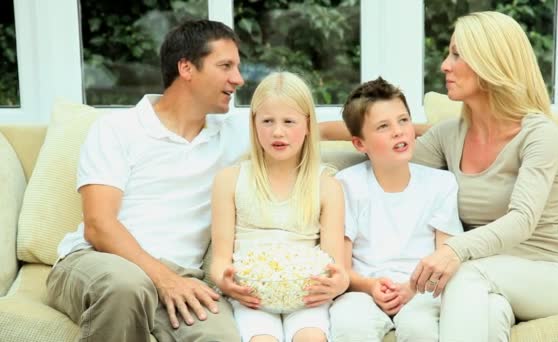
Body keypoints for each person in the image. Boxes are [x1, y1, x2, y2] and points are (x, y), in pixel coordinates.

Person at [46, 20, 247, 342]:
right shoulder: (117, 128)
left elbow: (309, 125)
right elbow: (98, 225)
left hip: (182, 275)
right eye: (226, 66)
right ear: (186, 67)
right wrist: (162, 278)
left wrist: (358, 123)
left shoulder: (236, 131)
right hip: (101, 262)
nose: (238, 79)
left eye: (237, 67)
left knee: (221, 336)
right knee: (127, 286)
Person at [405, 11, 558, 342]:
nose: (444, 66)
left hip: (556, 274)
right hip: (490, 277)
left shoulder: (539, 135)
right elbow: (386, 154)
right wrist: (306, 128)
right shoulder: (448, 135)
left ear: (490, 63)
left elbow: (522, 219)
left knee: (464, 275)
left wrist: (454, 250)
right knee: (445, 315)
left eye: (457, 55)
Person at [210, 71, 349, 342]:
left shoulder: (327, 185)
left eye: (289, 121)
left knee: (310, 338)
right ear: (253, 124)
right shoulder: (230, 180)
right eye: (267, 121)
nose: (278, 131)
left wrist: (337, 283)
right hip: (251, 296)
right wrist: (225, 280)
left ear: (308, 125)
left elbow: (337, 265)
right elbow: (219, 261)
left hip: (307, 295)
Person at [328, 77, 463, 342]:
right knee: (349, 326)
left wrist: (412, 289)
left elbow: (447, 258)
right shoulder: (346, 185)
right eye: (383, 126)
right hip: (362, 290)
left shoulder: (441, 183)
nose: (399, 131)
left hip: (421, 290)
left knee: (420, 329)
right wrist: (370, 287)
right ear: (359, 144)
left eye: (403, 121)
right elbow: (340, 267)